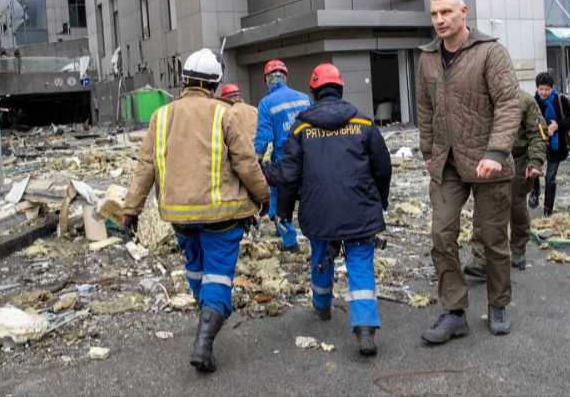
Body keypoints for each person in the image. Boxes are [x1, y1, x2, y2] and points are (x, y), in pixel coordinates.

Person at [122, 49, 269, 373]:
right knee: (218, 272)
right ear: (215, 83)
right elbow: (246, 164)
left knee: (196, 267)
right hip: (222, 214)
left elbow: (145, 166)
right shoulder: (225, 114)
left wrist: (130, 210)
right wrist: (263, 196)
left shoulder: (161, 117)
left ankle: (206, 313)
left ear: (185, 79)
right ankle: (205, 338)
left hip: (179, 214)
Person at [416, 0, 521, 341]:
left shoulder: (490, 51)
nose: (439, 20)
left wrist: (496, 152)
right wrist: (427, 149)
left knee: (492, 239)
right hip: (446, 163)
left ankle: (498, 303)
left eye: (446, 12)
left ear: (464, 11)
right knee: (441, 235)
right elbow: (425, 108)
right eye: (434, 15)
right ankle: (454, 311)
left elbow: (509, 104)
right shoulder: (427, 57)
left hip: (487, 161)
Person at [266, 63, 392, 356]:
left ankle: (322, 306)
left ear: (314, 91)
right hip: (360, 210)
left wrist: (284, 212)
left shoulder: (301, 127)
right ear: (340, 89)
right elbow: (382, 167)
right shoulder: (362, 123)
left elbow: (288, 177)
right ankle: (364, 328)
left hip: (318, 211)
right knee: (360, 262)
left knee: (321, 257)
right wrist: (380, 201)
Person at [465, 88, 546, 277]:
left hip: (518, 161)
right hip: (489, 158)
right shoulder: (483, 98)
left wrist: (535, 162)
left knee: (516, 208)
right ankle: (480, 258)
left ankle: (518, 249)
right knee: (483, 209)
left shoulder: (525, 101)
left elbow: (537, 134)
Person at [254, 59, 311, 252]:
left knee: (280, 205)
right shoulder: (304, 98)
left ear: (267, 80)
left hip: (284, 163)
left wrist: (257, 161)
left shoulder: (266, 103)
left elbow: (264, 138)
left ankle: (290, 243)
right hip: (308, 159)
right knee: (311, 200)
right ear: (285, 77)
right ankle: (317, 240)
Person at [529, 72, 570, 216]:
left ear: (552, 88)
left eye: (547, 89)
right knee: (534, 172)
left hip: (556, 146)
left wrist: (557, 126)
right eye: (541, 89)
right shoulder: (532, 102)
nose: (543, 92)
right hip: (537, 145)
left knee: (550, 178)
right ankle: (535, 192)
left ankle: (548, 209)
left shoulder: (560, 100)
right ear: (537, 88)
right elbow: (528, 122)